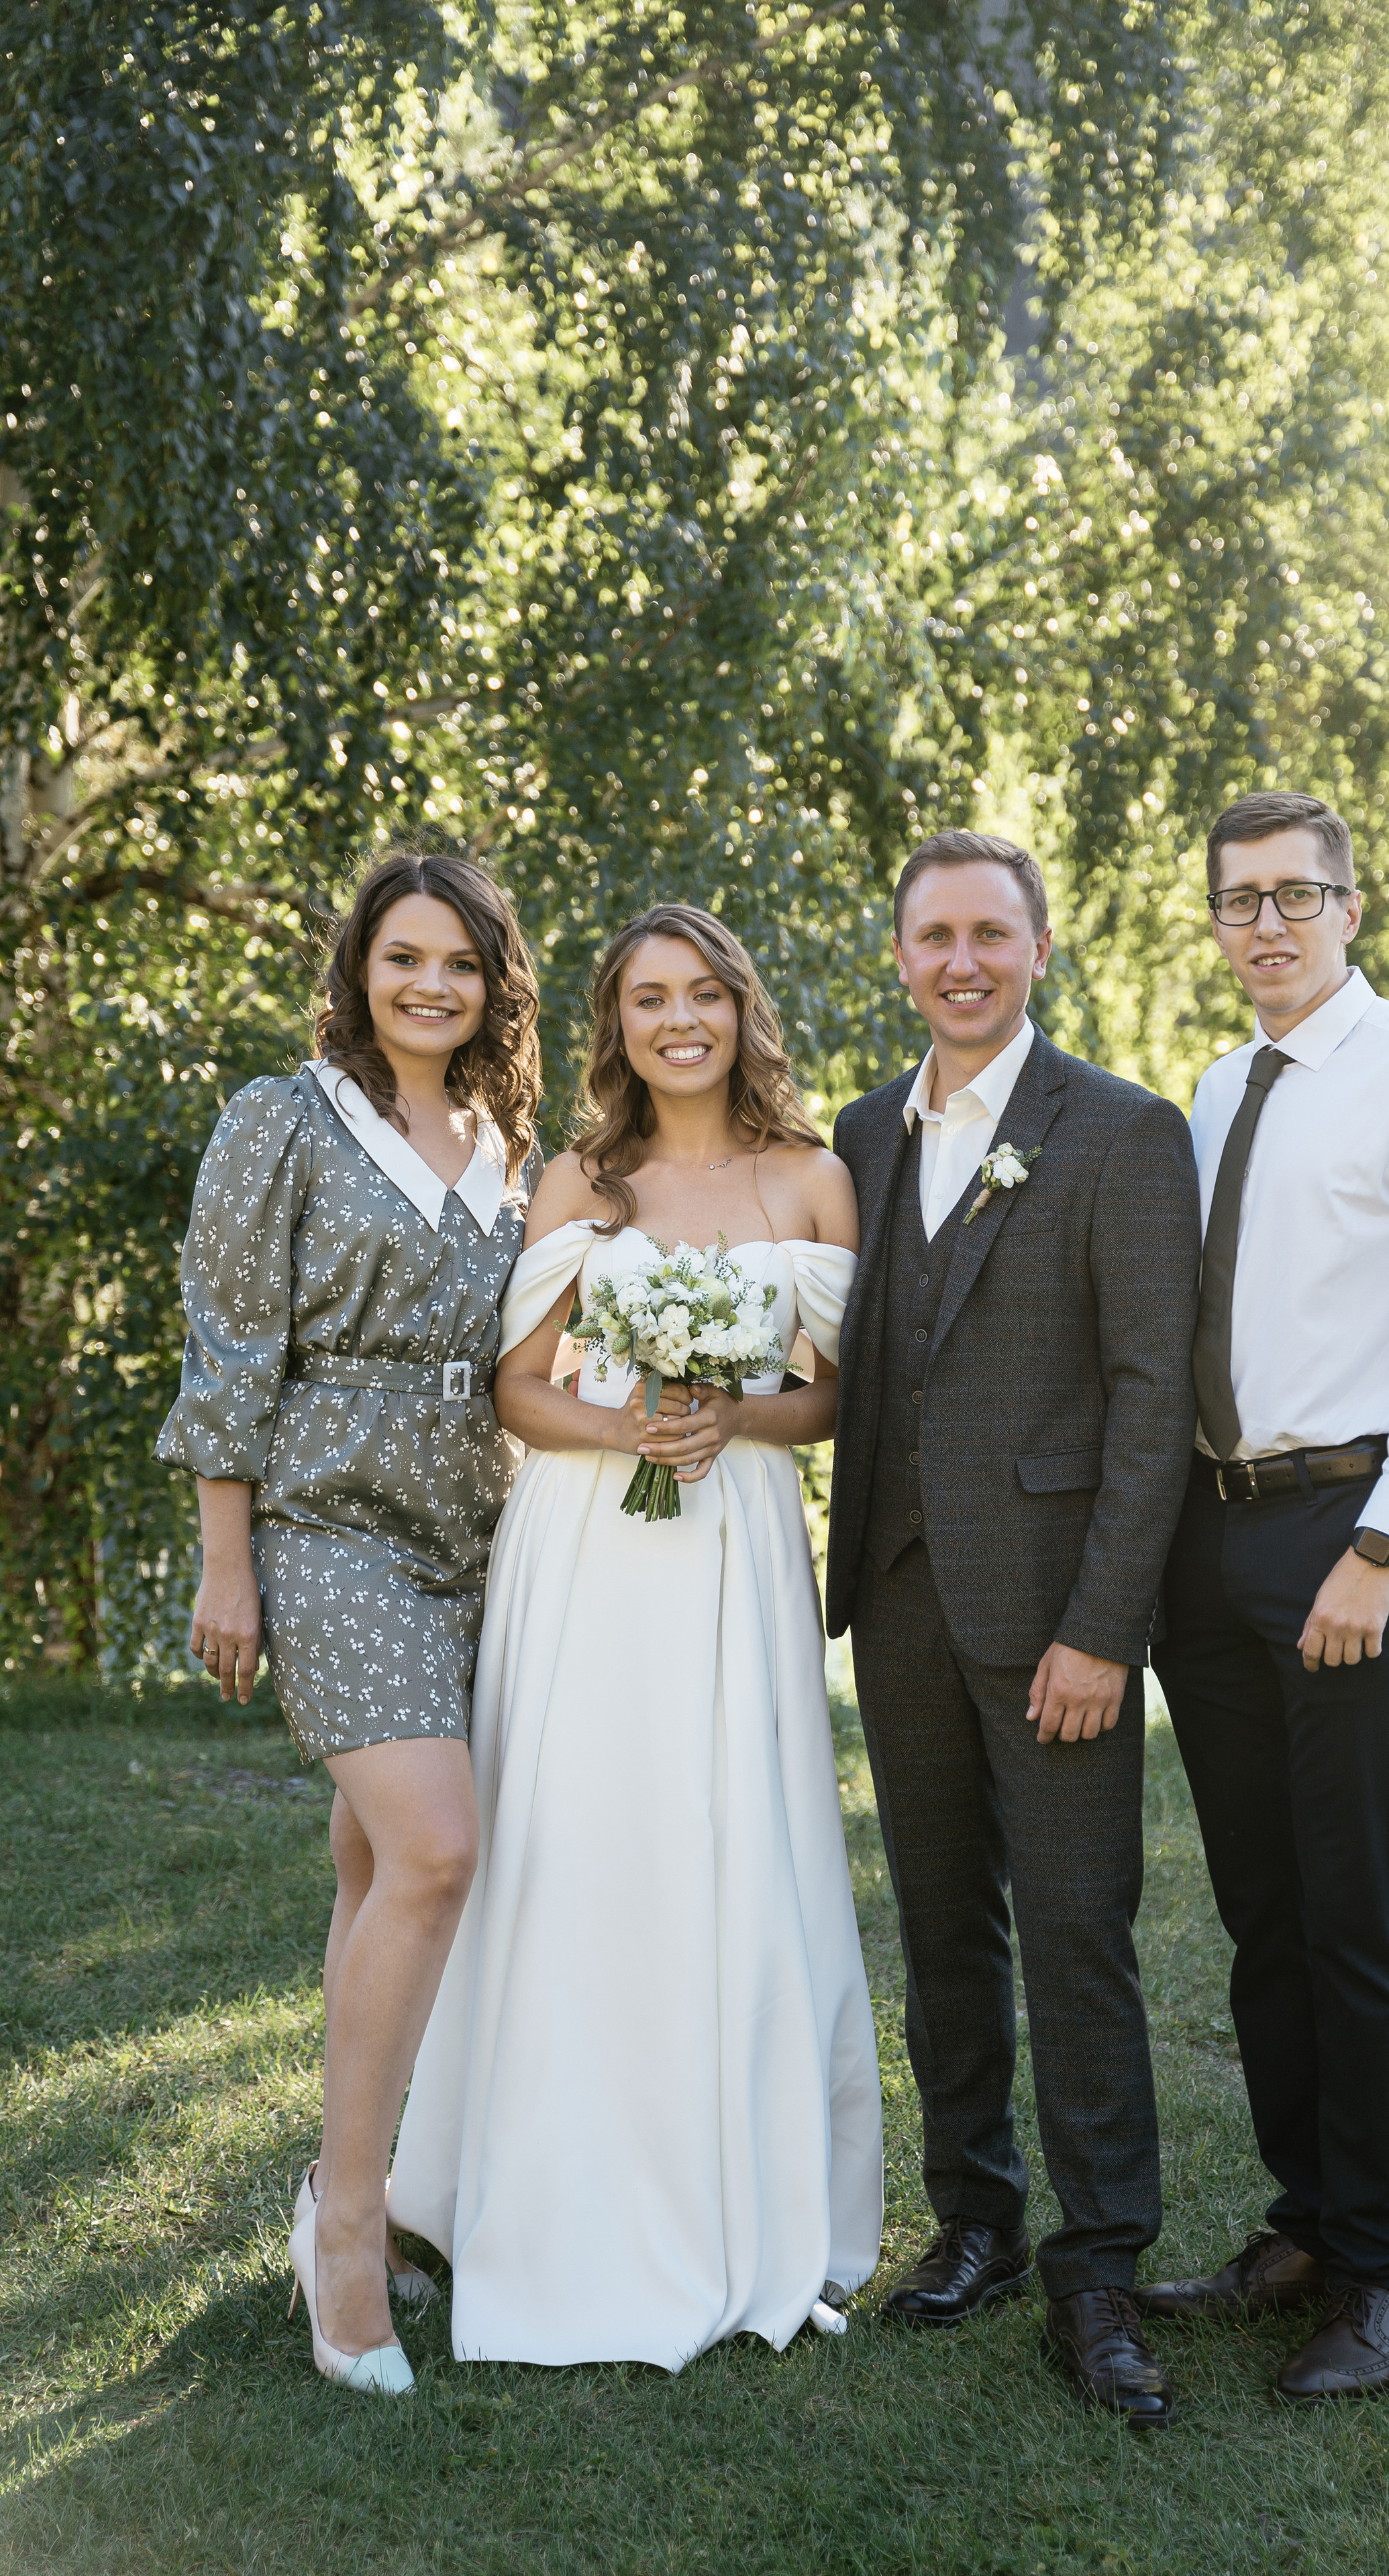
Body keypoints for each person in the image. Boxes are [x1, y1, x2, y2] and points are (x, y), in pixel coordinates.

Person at [388, 902, 883, 2368]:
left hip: (731, 1545)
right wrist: (632, 1423)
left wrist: (730, 1415)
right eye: (649, 998)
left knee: (728, 1837)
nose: (679, 1020)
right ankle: (540, 2180)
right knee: (580, 1837)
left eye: (704, 994)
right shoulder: (577, 1179)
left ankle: (737, 2190)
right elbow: (516, 1387)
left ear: (741, 1008)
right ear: (616, 1023)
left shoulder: (812, 1179)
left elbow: (836, 1399)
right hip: (586, 1547)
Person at [1142, 790, 1389, 2401]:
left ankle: (1386, 2274)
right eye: (1238, 902)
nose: (1266, 926)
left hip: (1339, 1534)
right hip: (1208, 1541)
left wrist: (1377, 1545)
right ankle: (1302, 2223)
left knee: (1351, 1915)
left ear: (1351, 907)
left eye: (1296, 896)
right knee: (1260, 1912)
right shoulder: (1216, 1091)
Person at [823, 829, 1202, 2430]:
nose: (960, 963)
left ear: (1039, 947)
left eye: (990, 933)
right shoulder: (860, 1132)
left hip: (1055, 1613)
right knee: (938, 1925)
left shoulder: (1118, 1133)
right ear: (899, 959)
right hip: (899, 1595)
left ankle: (1097, 2265)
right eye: (932, 938)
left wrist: (1101, 1627)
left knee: (1074, 1929)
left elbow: (1148, 1400)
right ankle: (972, 2215)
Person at [156, 847, 544, 2395]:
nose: (429, 986)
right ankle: (351, 2228)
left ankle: (351, 2184)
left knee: (379, 1864)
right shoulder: (283, 1118)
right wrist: (225, 1558)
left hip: (477, 1530)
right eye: (402, 961)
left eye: (457, 963)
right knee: (439, 1848)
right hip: (323, 1530)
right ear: (358, 970)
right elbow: (231, 1343)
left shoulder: (510, 1138)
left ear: (489, 980)